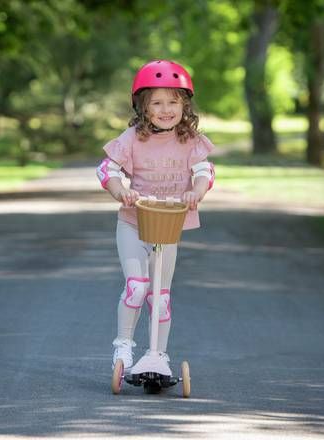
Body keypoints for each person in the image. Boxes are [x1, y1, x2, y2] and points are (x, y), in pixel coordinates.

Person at [95, 60, 216, 371]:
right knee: (137, 285)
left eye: (173, 102)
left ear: (185, 104)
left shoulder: (189, 140)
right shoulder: (134, 137)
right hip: (133, 224)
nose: (166, 109)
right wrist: (120, 190)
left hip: (166, 227)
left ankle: (158, 355)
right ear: (142, 107)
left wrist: (196, 192)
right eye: (157, 103)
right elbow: (106, 169)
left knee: (160, 296)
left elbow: (205, 172)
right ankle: (123, 347)